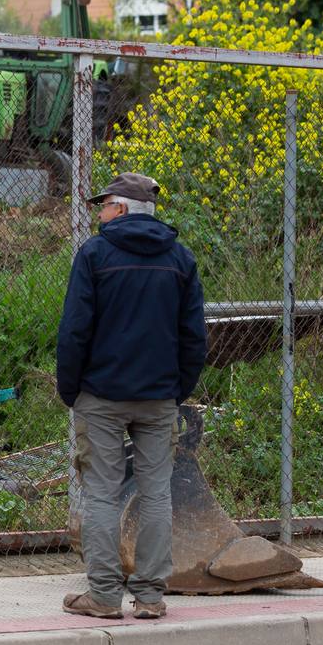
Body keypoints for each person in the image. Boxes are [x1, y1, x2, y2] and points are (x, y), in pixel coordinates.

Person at [56, 172, 207, 620]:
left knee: (101, 493)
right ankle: (150, 595)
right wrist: (177, 389)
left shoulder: (95, 255)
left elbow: (74, 331)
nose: (99, 213)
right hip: (158, 397)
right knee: (157, 493)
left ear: (120, 208)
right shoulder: (180, 259)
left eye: (103, 205)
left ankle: (103, 596)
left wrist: (71, 388)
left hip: (101, 396)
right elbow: (193, 338)